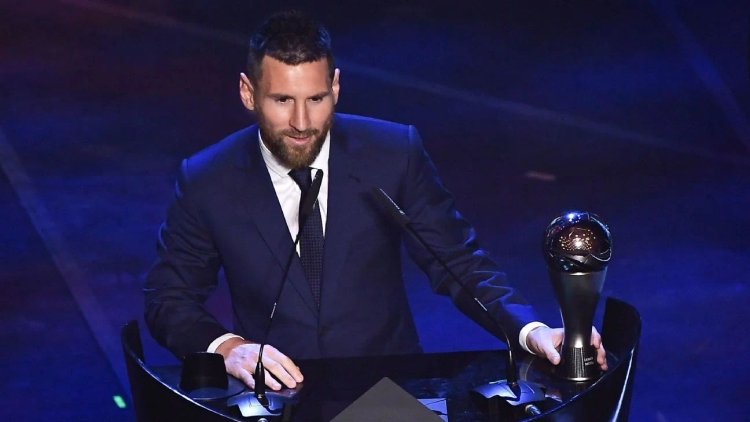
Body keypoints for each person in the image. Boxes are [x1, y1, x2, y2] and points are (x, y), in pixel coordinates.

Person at [143, 9, 607, 392]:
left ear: (337, 87)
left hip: (390, 391)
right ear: (249, 93)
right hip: (276, 397)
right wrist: (228, 347)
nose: (302, 121)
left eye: (318, 98)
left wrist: (532, 332)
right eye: (283, 100)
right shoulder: (208, 177)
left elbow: (459, 264)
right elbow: (169, 298)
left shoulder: (393, 154)